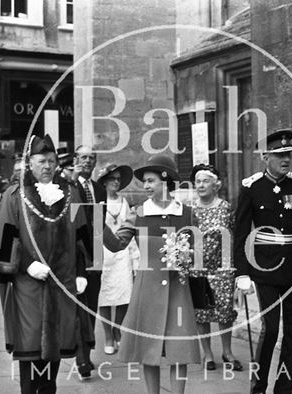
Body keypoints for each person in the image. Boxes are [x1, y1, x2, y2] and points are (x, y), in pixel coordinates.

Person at [0, 134, 91, 393]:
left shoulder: (71, 193)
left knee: (57, 343)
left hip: (62, 281)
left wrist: (82, 271)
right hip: (27, 284)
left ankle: (48, 388)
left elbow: (84, 234)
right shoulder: (14, 195)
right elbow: (4, 239)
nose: (48, 166)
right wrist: (27, 264)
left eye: (52, 161)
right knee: (29, 344)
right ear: (30, 163)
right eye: (42, 161)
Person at [233, 129, 292, 394]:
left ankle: (284, 389)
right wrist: (242, 272)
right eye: (280, 154)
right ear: (265, 157)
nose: (286, 159)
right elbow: (240, 234)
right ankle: (259, 387)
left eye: (288, 154)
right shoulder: (252, 187)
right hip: (265, 268)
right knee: (271, 329)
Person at [103, 154, 200, 394]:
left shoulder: (187, 213)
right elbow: (117, 244)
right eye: (144, 181)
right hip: (147, 292)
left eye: (150, 181)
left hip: (178, 291)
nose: (145, 186)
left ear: (166, 182)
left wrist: (189, 257)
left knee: (180, 351)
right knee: (148, 350)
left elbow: (199, 253)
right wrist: (98, 223)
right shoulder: (138, 213)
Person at [189, 163, 242, 372]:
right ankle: (207, 354)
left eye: (205, 181)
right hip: (198, 269)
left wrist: (235, 268)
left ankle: (227, 352)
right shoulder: (190, 210)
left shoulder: (226, 208)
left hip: (222, 269)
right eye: (198, 182)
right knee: (202, 313)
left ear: (216, 185)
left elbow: (234, 236)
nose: (201, 185)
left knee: (224, 311)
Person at [71, 145, 107, 379]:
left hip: (95, 252)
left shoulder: (98, 188)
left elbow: (100, 223)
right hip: (74, 253)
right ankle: (82, 359)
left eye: (91, 158)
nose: (87, 161)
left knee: (92, 303)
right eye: (83, 157)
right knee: (79, 304)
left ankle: (87, 351)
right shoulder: (68, 185)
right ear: (75, 159)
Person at [95, 163, 139, 355]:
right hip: (103, 253)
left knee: (124, 294)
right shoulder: (98, 202)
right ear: (104, 181)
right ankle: (108, 335)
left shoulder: (124, 202)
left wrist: (135, 257)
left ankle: (117, 328)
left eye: (119, 179)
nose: (116, 182)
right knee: (104, 296)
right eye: (112, 178)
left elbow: (130, 229)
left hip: (122, 253)